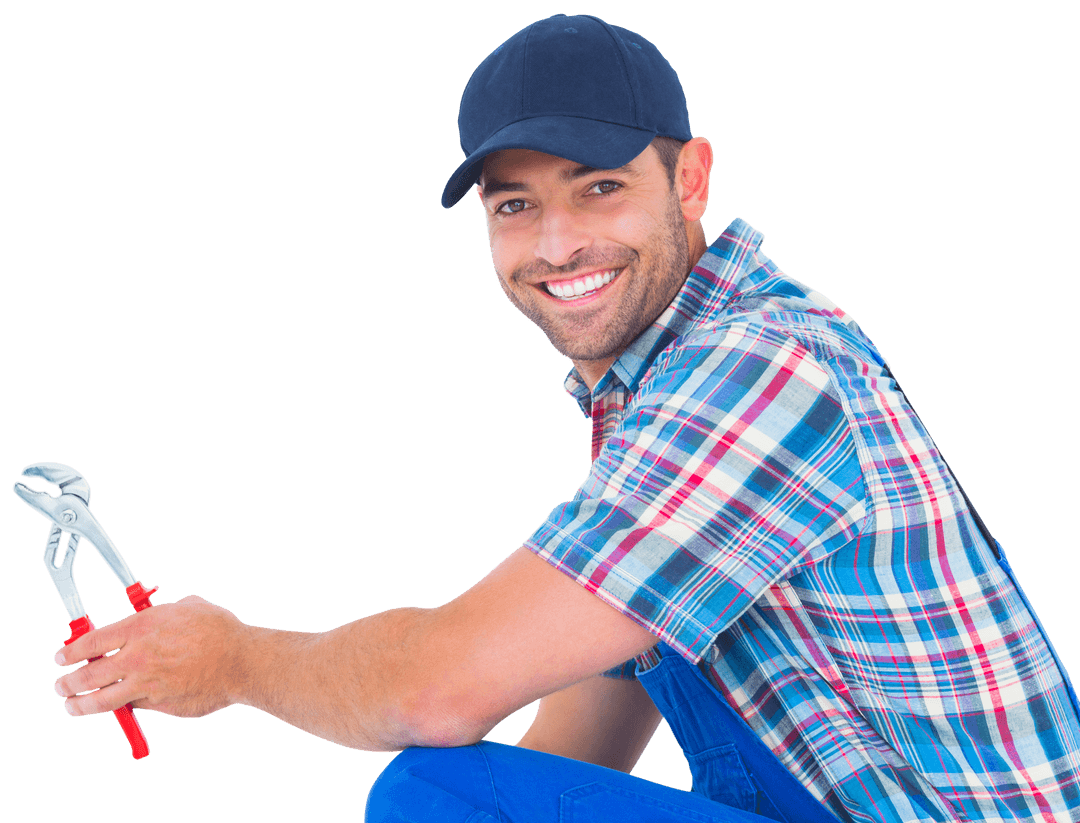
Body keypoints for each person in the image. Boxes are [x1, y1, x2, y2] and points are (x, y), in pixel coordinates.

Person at [51, 14, 1080, 822]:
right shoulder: (651, 405)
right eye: (516, 206)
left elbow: (436, 688)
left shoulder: (755, 371)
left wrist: (234, 660)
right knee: (450, 792)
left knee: (427, 792)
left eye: (597, 188)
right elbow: (582, 744)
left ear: (691, 180)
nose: (557, 245)